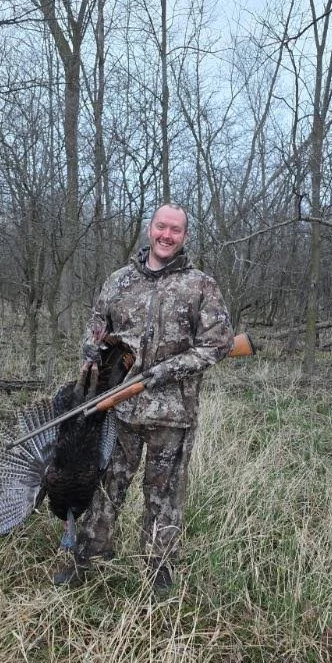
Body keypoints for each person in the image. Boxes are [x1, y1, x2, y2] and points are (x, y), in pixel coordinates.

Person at [54, 203, 234, 591]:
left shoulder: (201, 285)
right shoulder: (119, 281)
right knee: (105, 486)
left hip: (173, 413)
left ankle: (158, 569)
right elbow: (95, 331)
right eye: (161, 227)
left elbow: (217, 346)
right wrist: (91, 365)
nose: (167, 236)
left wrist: (165, 372)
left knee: (164, 495)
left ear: (185, 236)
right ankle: (88, 557)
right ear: (149, 229)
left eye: (176, 230)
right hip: (118, 411)